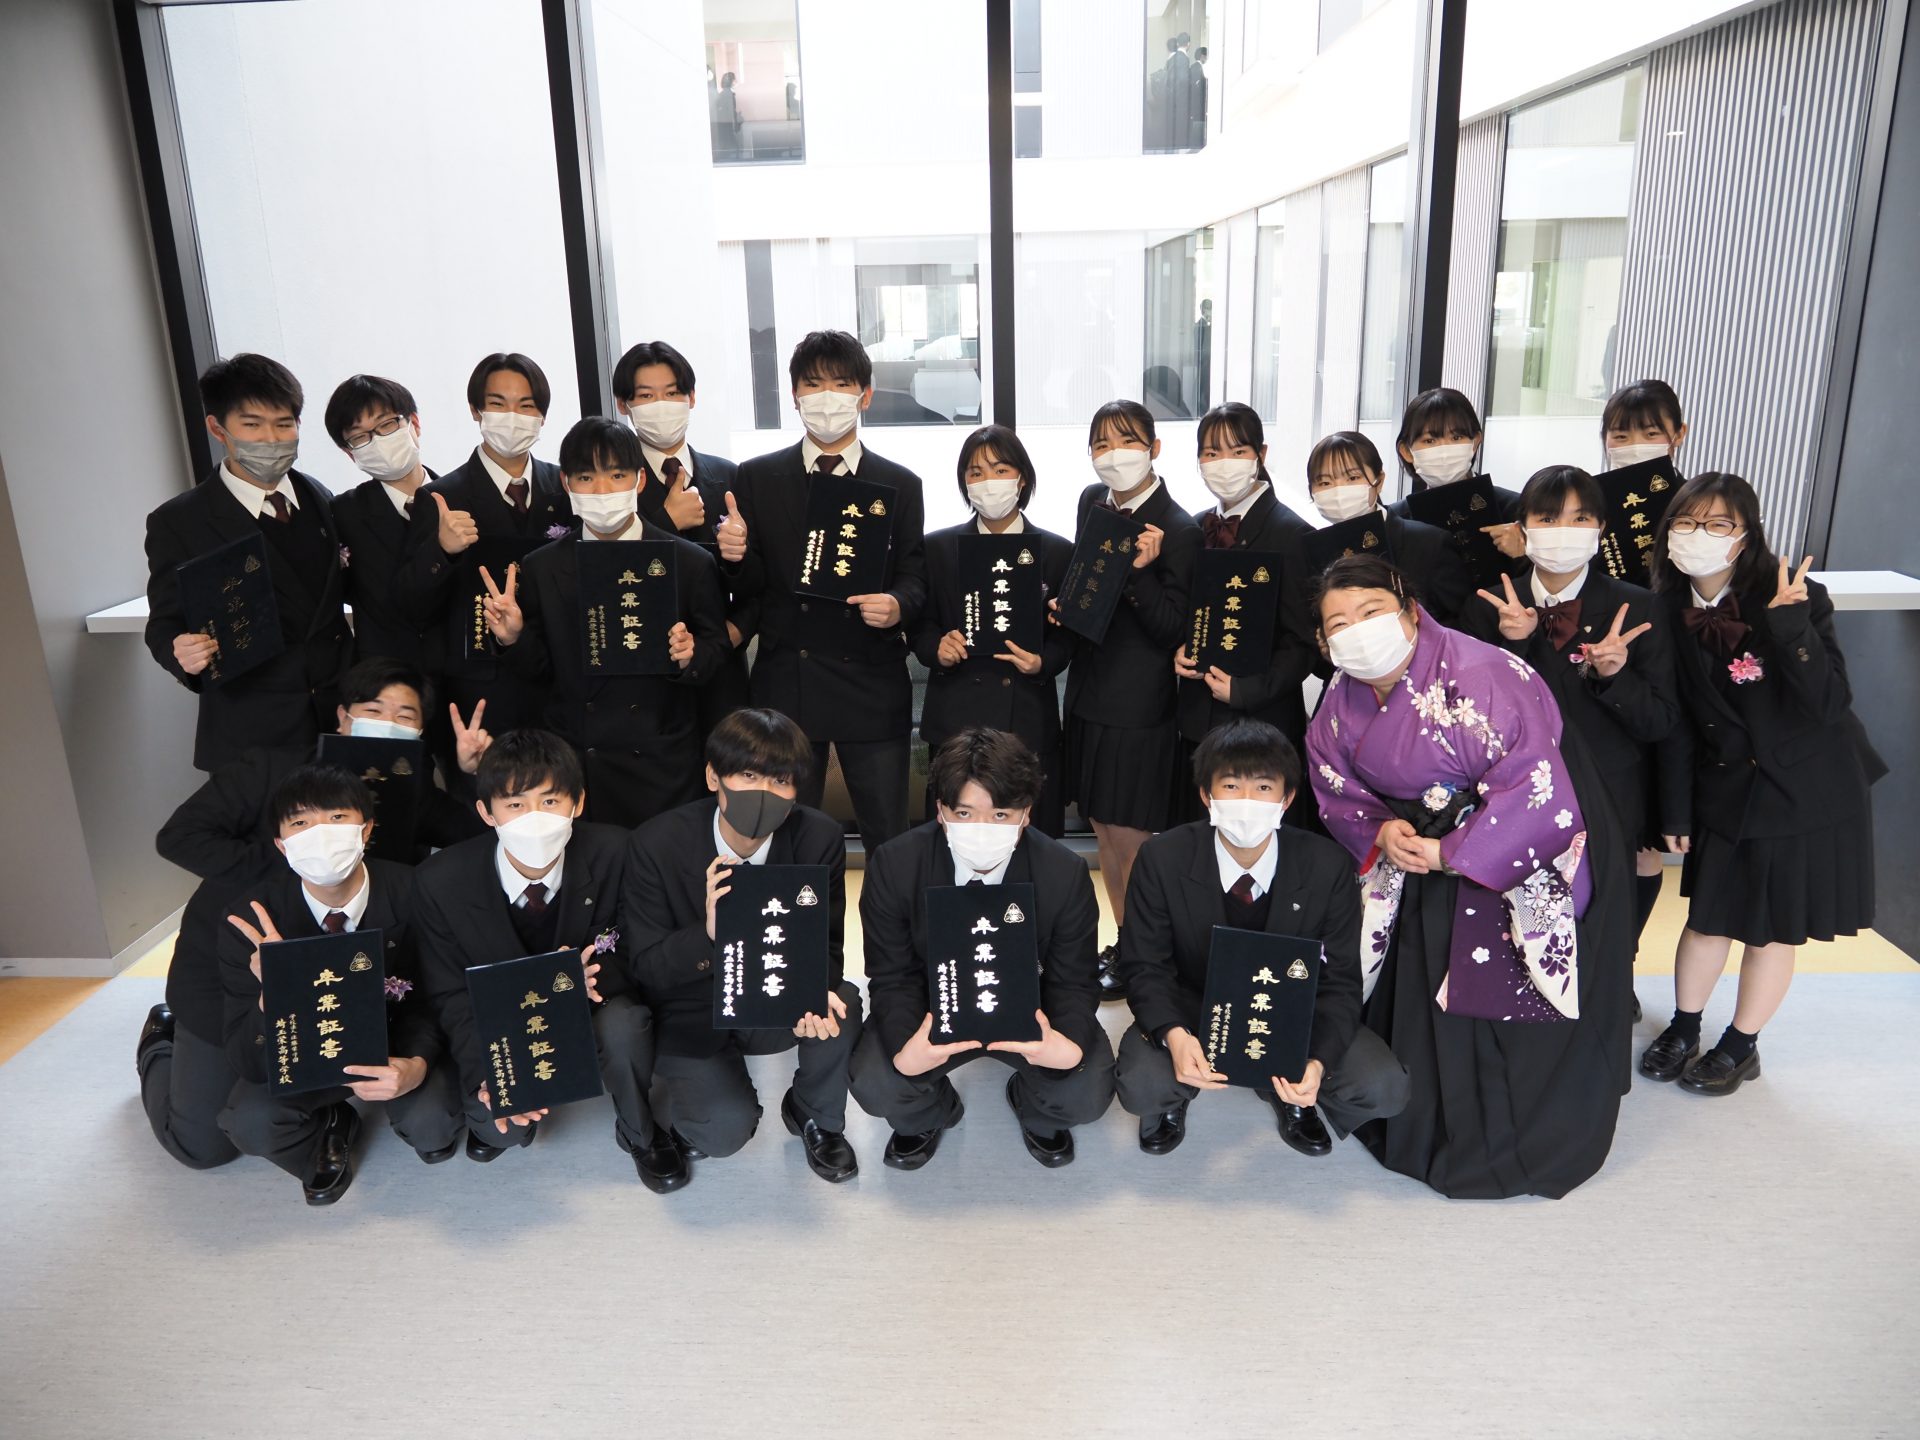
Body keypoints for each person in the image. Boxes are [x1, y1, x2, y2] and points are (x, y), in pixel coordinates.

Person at [1306, 555, 1634, 1198]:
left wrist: (1455, 851)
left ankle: (1522, 1141)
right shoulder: (1341, 696)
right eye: (1338, 624)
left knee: (1508, 996)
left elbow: (1534, 783)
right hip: (1412, 854)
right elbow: (1330, 777)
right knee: (1417, 990)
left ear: (1408, 610)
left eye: (1372, 612)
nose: (1358, 631)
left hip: (1511, 841)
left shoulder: (1483, 672)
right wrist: (1379, 829)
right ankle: (1424, 1125)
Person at [1638, 473, 1882, 1095]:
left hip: (1803, 784)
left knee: (1770, 925)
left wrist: (1792, 627)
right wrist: (1676, 810)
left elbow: (1829, 704)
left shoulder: (1793, 593)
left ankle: (1740, 1045)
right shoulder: (1661, 606)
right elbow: (1676, 720)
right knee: (1707, 917)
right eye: (1687, 522)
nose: (1699, 534)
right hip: (1724, 782)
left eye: (1718, 523)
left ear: (1746, 534)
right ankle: (1684, 1028)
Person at [1115, 719, 1409, 1156]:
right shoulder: (1162, 857)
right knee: (1142, 1086)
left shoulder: (1326, 865)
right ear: (1206, 795)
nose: (1247, 801)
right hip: (1193, 1005)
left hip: (1292, 1013)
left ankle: (1288, 1092)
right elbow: (1145, 965)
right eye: (1231, 786)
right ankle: (1173, 1098)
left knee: (1382, 1086)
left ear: (1287, 799)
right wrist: (1174, 1035)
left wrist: (1317, 1061)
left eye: (1264, 787)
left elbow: (1341, 979)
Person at [850, 729, 1115, 1169]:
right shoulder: (895, 865)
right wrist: (907, 1048)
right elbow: (892, 975)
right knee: (878, 1079)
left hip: (1031, 1011)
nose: (981, 829)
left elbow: (1073, 980)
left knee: (1085, 1090)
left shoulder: (1063, 873)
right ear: (941, 811)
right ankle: (930, 1113)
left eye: (1000, 815)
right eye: (965, 813)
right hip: (933, 1007)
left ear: (1026, 814)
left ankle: (1034, 1108)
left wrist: (1063, 1044)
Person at [622, 709, 863, 1187]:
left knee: (844, 1003)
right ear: (714, 776)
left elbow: (829, 945)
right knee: (723, 1131)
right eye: (749, 776)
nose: (764, 794)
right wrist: (711, 933)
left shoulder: (818, 837)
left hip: (774, 988)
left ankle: (814, 1114)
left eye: (780, 781)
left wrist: (813, 988)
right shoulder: (657, 842)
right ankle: (699, 1106)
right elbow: (646, 967)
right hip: (691, 1004)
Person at [411, 730, 663, 1175]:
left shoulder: (618, 852)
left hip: (595, 1006)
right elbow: (451, 995)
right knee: (502, 1127)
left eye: (549, 801)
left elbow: (637, 949)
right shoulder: (440, 881)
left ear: (577, 803)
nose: (534, 818)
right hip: (503, 1024)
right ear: (486, 812)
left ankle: (639, 1131)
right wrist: (489, 1074)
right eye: (515, 804)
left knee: (626, 1024)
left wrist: (578, 987)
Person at [716, 329, 928, 855]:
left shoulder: (900, 483)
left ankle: (889, 916)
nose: (826, 396)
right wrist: (734, 557)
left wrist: (897, 605)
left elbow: (915, 574)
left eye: (841, 383)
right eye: (813, 384)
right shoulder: (757, 477)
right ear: (794, 396)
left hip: (871, 683)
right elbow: (751, 587)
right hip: (789, 684)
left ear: (865, 395)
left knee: (888, 838)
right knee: (787, 837)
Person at [1460, 465, 1681, 966]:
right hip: (1515, 795)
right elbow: (1471, 718)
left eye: (1580, 518)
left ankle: (1611, 989)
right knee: (1513, 927)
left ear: (1601, 528)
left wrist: (1614, 677)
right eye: (1547, 518)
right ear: (1522, 529)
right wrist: (1515, 645)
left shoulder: (1638, 607)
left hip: (1608, 793)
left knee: (1606, 925)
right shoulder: (1489, 607)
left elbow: (1660, 721)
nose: (1563, 531)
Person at [479, 417, 728, 831]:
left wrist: (691, 656)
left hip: (660, 763)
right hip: (579, 765)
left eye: (616, 476)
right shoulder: (542, 566)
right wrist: (513, 638)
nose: (602, 490)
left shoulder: (689, 561)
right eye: (586, 477)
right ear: (566, 483)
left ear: (640, 480)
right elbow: (541, 672)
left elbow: (717, 652)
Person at [212, 766, 448, 1203]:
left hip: (395, 1039)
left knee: (433, 1128)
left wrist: (416, 1064)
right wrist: (272, 992)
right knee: (250, 1123)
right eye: (301, 823)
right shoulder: (251, 919)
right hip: (306, 1051)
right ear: (282, 845)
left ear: (366, 829)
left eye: (337, 818)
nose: (320, 834)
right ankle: (332, 1125)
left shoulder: (419, 891)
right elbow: (247, 1059)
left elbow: (436, 998)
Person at [143, 353, 353, 770]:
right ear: (217, 428)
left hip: (341, 720)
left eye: (284, 424)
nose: (272, 439)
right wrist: (179, 651)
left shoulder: (320, 496)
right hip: (252, 732)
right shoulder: (180, 520)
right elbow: (164, 623)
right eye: (253, 425)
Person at [1059, 399, 1201, 997]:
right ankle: (1126, 944)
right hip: (1089, 694)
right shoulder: (1092, 503)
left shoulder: (1180, 528)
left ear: (1154, 449)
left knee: (1133, 840)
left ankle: (1147, 955)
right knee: (1101, 831)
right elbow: (1085, 584)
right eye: (1101, 444)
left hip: (1140, 706)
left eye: (1126, 441)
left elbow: (1174, 630)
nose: (1113, 454)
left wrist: (1142, 571)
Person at [155, 656, 490, 886]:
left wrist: (476, 772)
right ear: (343, 718)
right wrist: (300, 863)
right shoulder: (266, 769)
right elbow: (181, 837)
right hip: (270, 912)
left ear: (419, 732)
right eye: (373, 711)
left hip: (375, 920)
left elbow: (483, 836)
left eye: (404, 717)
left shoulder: (413, 789)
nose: (387, 724)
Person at [394, 352, 571, 749]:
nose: (513, 416)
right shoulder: (441, 496)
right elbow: (410, 605)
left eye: (526, 405)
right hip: (481, 693)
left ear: (542, 416)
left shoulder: (566, 489)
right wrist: (442, 551)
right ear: (476, 410)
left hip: (555, 683)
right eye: (498, 404)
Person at [912, 425, 1074, 835]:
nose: (988, 481)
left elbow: (1068, 637)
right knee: (954, 838)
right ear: (964, 483)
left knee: (1032, 840)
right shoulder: (938, 548)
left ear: (1022, 478)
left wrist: (1041, 662)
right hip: (956, 717)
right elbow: (920, 625)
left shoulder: (1056, 551)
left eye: (1000, 470)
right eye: (976, 472)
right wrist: (937, 648)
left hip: (1027, 716)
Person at [1171, 403, 1315, 812]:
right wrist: (1179, 651)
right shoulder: (1195, 527)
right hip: (1197, 721)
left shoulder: (1292, 533)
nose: (1223, 463)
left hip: (1263, 726)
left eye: (1237, 451)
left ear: (1261, 455)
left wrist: (1247, 690)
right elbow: (1188, 614)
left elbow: (1303, 642)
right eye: (1211, 453)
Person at [611, 339, 751, 732]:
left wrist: (728, 636)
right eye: (646, 395)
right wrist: (666, 522)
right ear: (623, 404)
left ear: (691, 398)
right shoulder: (611, 485)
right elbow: (608, 571)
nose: (661, 404)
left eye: (672, 393)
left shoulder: (731, 476)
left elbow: (761, 577)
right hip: (643, 676)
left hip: (721, 674)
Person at [324, 373, 439, 671]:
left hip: (463, 676)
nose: (377, 440)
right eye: (360, 436)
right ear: (350, 453)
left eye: (386, 424)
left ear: (414, 424)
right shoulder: (342, 514)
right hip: (386, 680)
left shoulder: (461, 497)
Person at [1304, 430, 1471, 625]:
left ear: (1379, 481)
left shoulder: (1429, 543)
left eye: (1353, 478)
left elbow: (1462, 621)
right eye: (1325, 482)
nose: (1338, 490)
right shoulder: (1311, 553)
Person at [1384, 387, 1525, 568]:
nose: (1444, 450)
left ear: (1475, 442)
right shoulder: (1396, 520)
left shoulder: (1517, 509)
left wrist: (1524, 553)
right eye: (1429, 441)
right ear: (1406, 451)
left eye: (1456, 437)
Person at [1601, 378, 1689, 475]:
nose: (1635, 449)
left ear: (1679, 435)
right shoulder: (1591, 485)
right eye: (1621, 436)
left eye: (1651, 434)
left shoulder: (1698, 485)